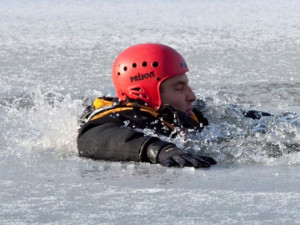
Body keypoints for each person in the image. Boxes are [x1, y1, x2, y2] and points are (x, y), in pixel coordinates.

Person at [77, 43, 269, 168]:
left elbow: (228, 116)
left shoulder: (176, 111)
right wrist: (157, 149)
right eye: (179, 88)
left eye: (187, 85)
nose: (191, 96)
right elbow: (90, 139)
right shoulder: (122, 118)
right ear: (146, 92)